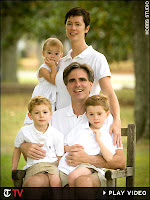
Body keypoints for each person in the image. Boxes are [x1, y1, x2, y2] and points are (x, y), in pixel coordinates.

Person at [20, 62, 125, 188]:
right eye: (72, 80)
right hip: (57, 172)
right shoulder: (54, 117)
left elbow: (120, 161)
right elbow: (38, 149)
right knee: (33, 184)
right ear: (66, 86)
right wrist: (25, 147)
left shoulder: (104, 119)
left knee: (82, 182)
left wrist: (87, 159)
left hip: (91, 173)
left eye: (82, 79)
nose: (77, 84)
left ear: (91, 84)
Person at [55, 7, 121, 147]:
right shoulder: (62, 62)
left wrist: (117, 120)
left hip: (86, 125)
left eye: (78, 24)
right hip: (61, 125)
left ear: (87, 28)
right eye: (69, 23)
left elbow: (108, 92)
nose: (73, 28)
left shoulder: (97, 58)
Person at [58, 94, 116, 187]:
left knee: (73, 177)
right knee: (58, 181)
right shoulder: (80, 129)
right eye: (91, 114)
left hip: (89, 166)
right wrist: (69, 148)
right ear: (86, 115)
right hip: (68, 166)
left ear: (107, 114)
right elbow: (64, 145)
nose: (95, 118)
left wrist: (98, 140)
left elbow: (109, 158)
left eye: (99, 114)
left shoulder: (104, 134)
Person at [12, 96, 64, 187]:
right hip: (35, 166)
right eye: (37, 113)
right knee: (32, 184)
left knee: (55, 182)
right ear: (30, 116)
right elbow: (17, 149)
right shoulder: (24, 132)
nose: (41, 115)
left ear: (50, 114)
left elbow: (59, 156)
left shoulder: (56, 134)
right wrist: (14, 169)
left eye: (45, 112)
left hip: (52, 165)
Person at [24, 37, 63, 125]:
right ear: (43, 53)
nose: (52, 56)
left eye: (56, 53)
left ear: (61, 55)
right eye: (49, 53)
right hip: (44, 95)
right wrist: (53, 67)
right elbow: (53, 80)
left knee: (52, 119)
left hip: (53, 96)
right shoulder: (43, 69)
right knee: (41, 115)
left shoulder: (59, 66)